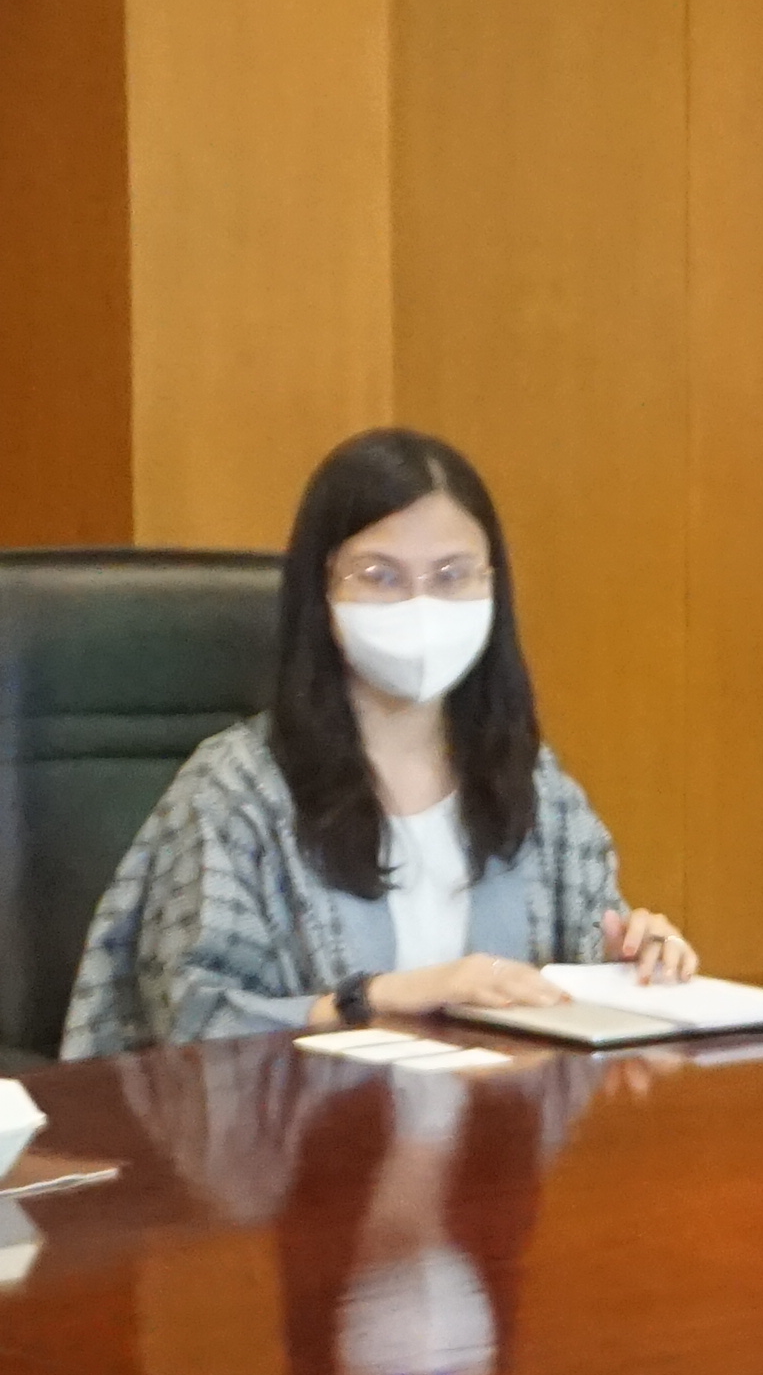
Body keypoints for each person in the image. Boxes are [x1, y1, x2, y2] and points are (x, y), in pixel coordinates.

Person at [60, 426, 695, 1054]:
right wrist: (376, 999)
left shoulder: (532, 783)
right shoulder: (237, 788)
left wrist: (631, 961)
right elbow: (193, 1023)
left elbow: (576, 984)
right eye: (380, 576)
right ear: (322, 591)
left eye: (452, 575)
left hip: (501, 1138)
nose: (421, 605)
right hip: (307, 1144)